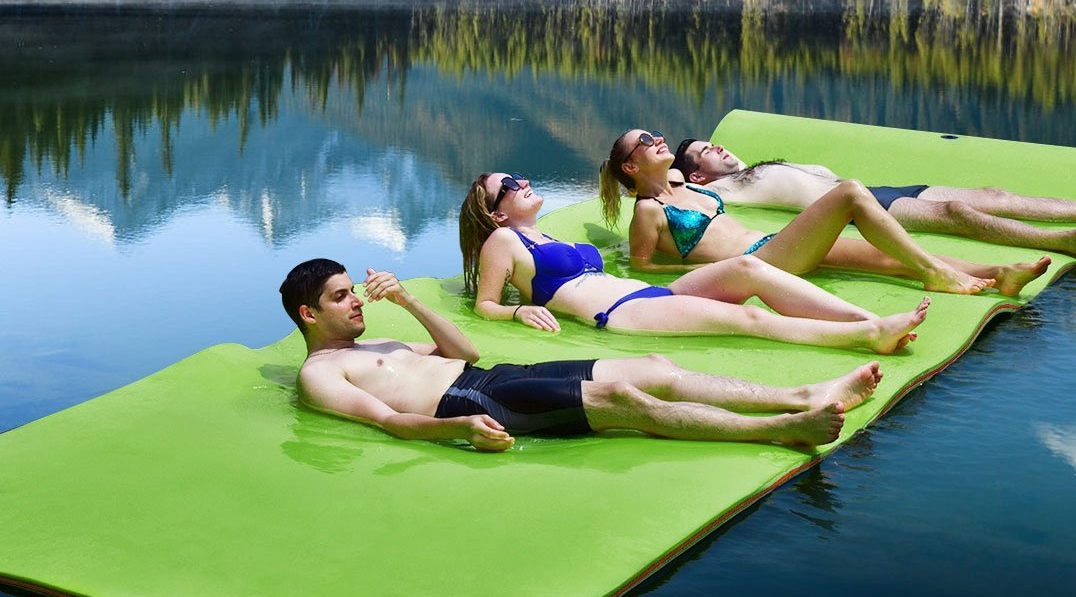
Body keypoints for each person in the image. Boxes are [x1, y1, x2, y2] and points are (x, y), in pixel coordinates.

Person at [281, 257, 884, 451]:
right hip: (466, 402)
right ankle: (780, 430)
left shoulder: (379, 341)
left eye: (354, 292)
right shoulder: (322, 374)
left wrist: (410, 302)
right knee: (623, 398)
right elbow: (389, 423)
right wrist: (460, 428)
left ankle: (801, 393)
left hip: (491, 375)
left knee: (653, 369)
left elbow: (463, 348)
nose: (357, 303)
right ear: (310, 314)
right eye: (342, 298)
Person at [459, 173, 931, 354]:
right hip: (620, 314)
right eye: (509, 185)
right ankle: (866, 336)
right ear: (496, 212)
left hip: (646, 297)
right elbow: (485, 304)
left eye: (519, 177)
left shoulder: (547, 234)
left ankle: (869, 319)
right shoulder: (503, 239)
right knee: (747, 318)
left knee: (749, 270)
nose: (521, 182)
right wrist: (517, 310)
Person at [601, 129, 1057, 298]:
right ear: (630, 167)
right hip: (760, 263)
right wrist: (718, 270)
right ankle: (939, 275)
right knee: (851, 194)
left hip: (771, 248)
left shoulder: (680, 183)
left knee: (884, 257)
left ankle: (1000, 272)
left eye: (655, 134)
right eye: (643, 142)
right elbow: (645, 266)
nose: (655, 139)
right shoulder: (647, 210)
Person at [672, 136, 1076, 255]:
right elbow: (663, 189)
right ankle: (1061, 242)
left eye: (713, 143)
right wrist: (671, 173)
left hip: (874, 189)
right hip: (857, 209)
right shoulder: (721, 192)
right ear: (696, 175)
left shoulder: (762, 165)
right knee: (955, 212)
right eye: (704, 153)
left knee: (989, 193)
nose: (715, 148)